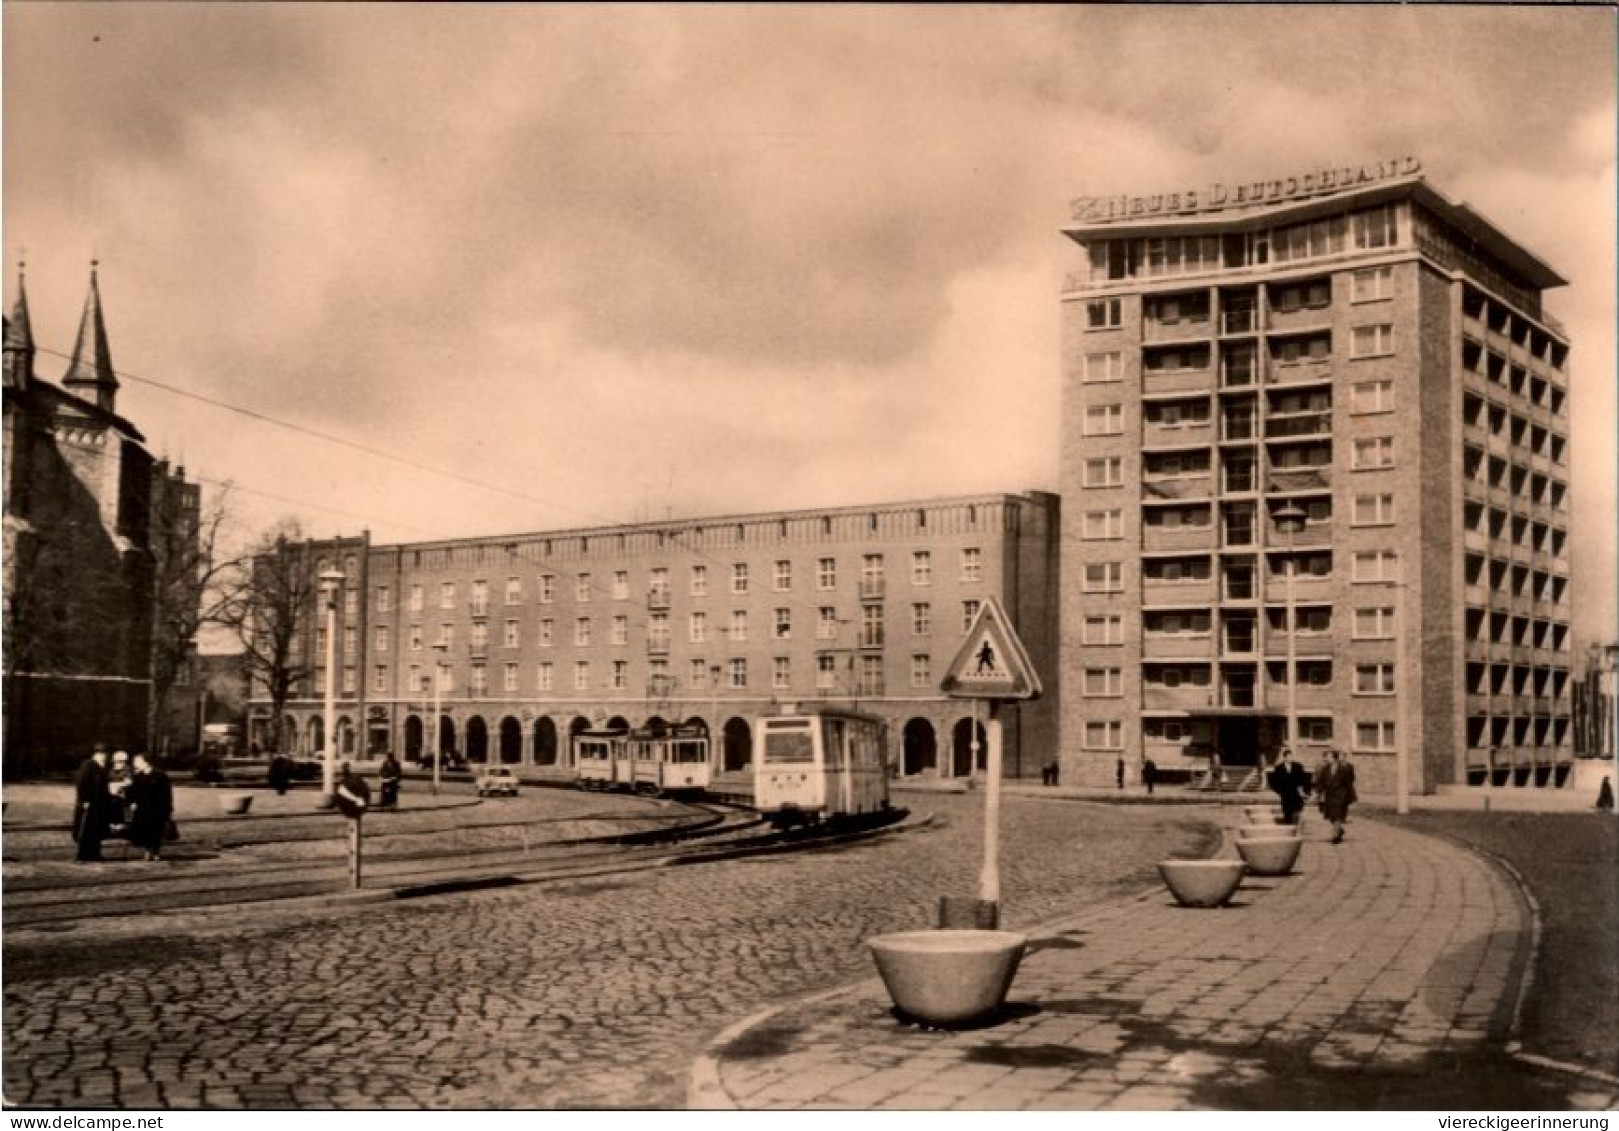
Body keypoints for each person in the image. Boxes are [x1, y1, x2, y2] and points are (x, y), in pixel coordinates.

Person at [126, 753, 176, 861]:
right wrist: (132, 802)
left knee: (157, 830)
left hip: (157, 808)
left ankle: (155, 851)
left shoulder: (160, 775)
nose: (135, 763)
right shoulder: (137, 776)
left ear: (145, 762)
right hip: (143, 809)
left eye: (137, 761)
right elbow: (131, 791)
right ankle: (148, 850)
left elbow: (167, 793)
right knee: (145, 830)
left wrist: (168, 808)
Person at [72, 746, 113, 862]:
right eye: (102, 753)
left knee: (96, 829)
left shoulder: (102, 767)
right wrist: (84, 800)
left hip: (99, 804)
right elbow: (81, 783)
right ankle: (82, 854)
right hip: (88, 803)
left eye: (105, 754)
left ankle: (95, 853)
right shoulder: (88, 765)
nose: (104, 756)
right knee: (85, 829)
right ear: (96, 754)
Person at [1320, 749, 1357, 844]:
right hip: (1329, 796)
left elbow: (1349, 783)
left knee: (1337, 816)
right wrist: (1318, 793)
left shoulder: (1343, 769)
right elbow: (1321, 783)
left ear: (1334, 758)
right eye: (1326, 757)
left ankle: (1335, 836)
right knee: (1331, 817)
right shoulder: (1325, 769)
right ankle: (1340, 830)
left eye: (1329, 757)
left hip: (1341, 796)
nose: (1327, 758)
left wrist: (1352, 797)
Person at [1268, 748, 1305, 825]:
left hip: (1296, 793)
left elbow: (1303, 780)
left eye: (1291, 756)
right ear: (1284, 757)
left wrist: (1302, 790)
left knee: (1297, 811)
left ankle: (1296, 826)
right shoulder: (1279, 768)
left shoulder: (1298, 766)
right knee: (1287, 811)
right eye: (1288, 757)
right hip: (1285, 794)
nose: (1290, 758)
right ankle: (1288, 826)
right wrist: (1279, 791)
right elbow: (1273, 782)